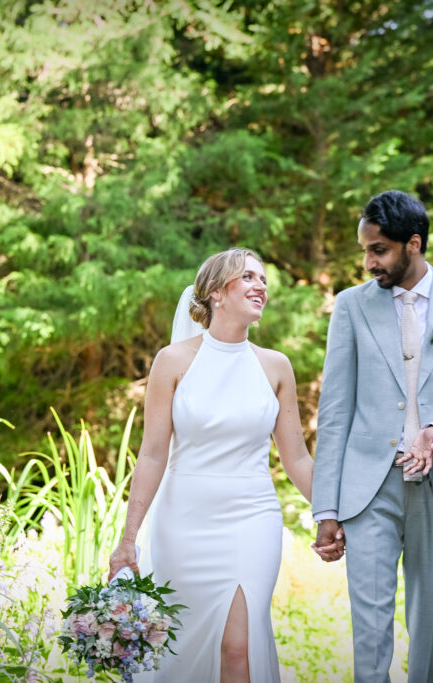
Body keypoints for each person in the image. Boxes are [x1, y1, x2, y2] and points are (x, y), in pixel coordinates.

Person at [109, 247, 342, 683]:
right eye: (249, 277)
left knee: (238, 648)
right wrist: (128, 538)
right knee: (181, 649)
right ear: (216, 292)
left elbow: (296, 458)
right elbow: (153, 453)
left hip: (251, 516)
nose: (261, 287)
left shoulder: (275, 366)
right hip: (183, 521)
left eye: (264, 280)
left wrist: (329, 513)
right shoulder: (173, 361)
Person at [312, 190, 433, 683]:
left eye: (378, 250)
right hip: (369, 488)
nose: (369, 261)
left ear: (413, 244)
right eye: (365, 250)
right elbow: (334, 412)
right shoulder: (350, 306)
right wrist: (326, 510)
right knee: (369, 627)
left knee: (432, 623)